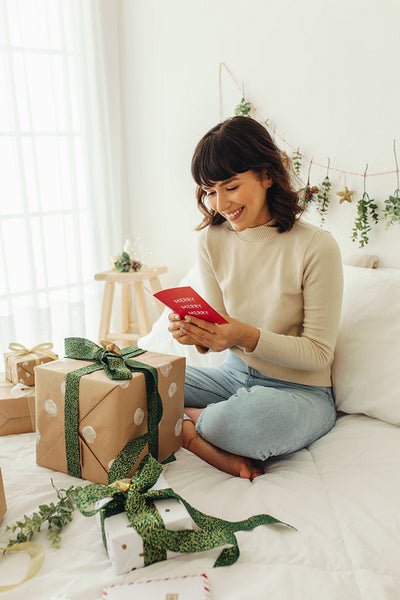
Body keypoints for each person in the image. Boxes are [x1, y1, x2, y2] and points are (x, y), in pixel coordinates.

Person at [168, 116, 343, 480]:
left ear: (267, 176)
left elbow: (318, 353)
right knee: (136, 379)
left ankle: (185, 425)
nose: (220, 204)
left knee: (245, 421)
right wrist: (197, 335)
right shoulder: (211, 241)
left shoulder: (315, 246)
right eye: (209, 191)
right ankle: (195, 435)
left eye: (231, 186)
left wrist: (244, 335)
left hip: (301, 391)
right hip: (232, 376)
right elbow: (220, 334)